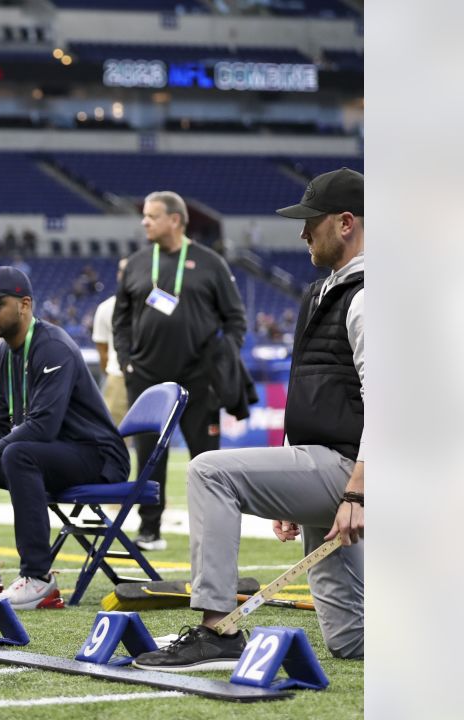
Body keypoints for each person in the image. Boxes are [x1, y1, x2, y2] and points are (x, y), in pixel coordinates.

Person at [135, 168, 365, 670]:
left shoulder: (369, 297)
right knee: (352, 639)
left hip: (350, 471)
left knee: (208, 470)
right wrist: (289, 476)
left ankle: (217, 633)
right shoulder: (322, 292)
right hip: (329, 466)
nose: (303, 233)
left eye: (313, 222)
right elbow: (312, 390)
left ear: (346, 223)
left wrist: (356, 491)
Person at [0, 267, 130, 609]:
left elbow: (42, 427)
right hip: (52, 454)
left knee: (17, 454)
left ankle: (39, 579)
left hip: (97, 457)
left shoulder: (53, 348)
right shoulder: (4, 353)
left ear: (24, 304)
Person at [112, 191, 247, 551]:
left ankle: (214, 536)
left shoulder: (210, 262)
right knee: (148, 457)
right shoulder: (138, 263)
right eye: (144, 215)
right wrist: (126, 360)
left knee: (207, 460)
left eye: (151, 216)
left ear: (175, 220)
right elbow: (120, 319)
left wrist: (225, 357)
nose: (144, 222)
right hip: (147, 377)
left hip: (200, 378)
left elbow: (235, 318)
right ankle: (149, 530)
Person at [92, 258, 130, 426]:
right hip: (117, 376)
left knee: (150, 439)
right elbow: (102, 352)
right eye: (123, 270)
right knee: (114, 435)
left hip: (150, 375)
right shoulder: (106, 308)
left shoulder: (154, 304)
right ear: (118, 275)